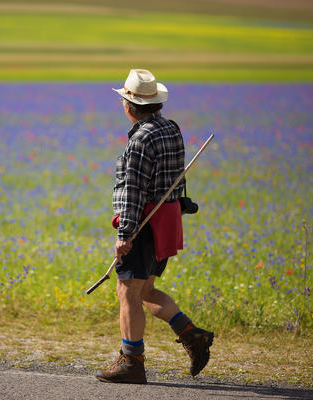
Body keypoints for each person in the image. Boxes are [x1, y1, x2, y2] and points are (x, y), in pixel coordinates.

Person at [96, 69, 214, 384]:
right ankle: (193, 336)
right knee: (145, 291)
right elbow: (175, 176)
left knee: (127, 292)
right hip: (166, 221)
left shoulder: (140, 140)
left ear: (128, 105)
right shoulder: (170, 128)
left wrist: (125, 236)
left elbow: (133, 190)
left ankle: (131, 362)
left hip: (144, 225)